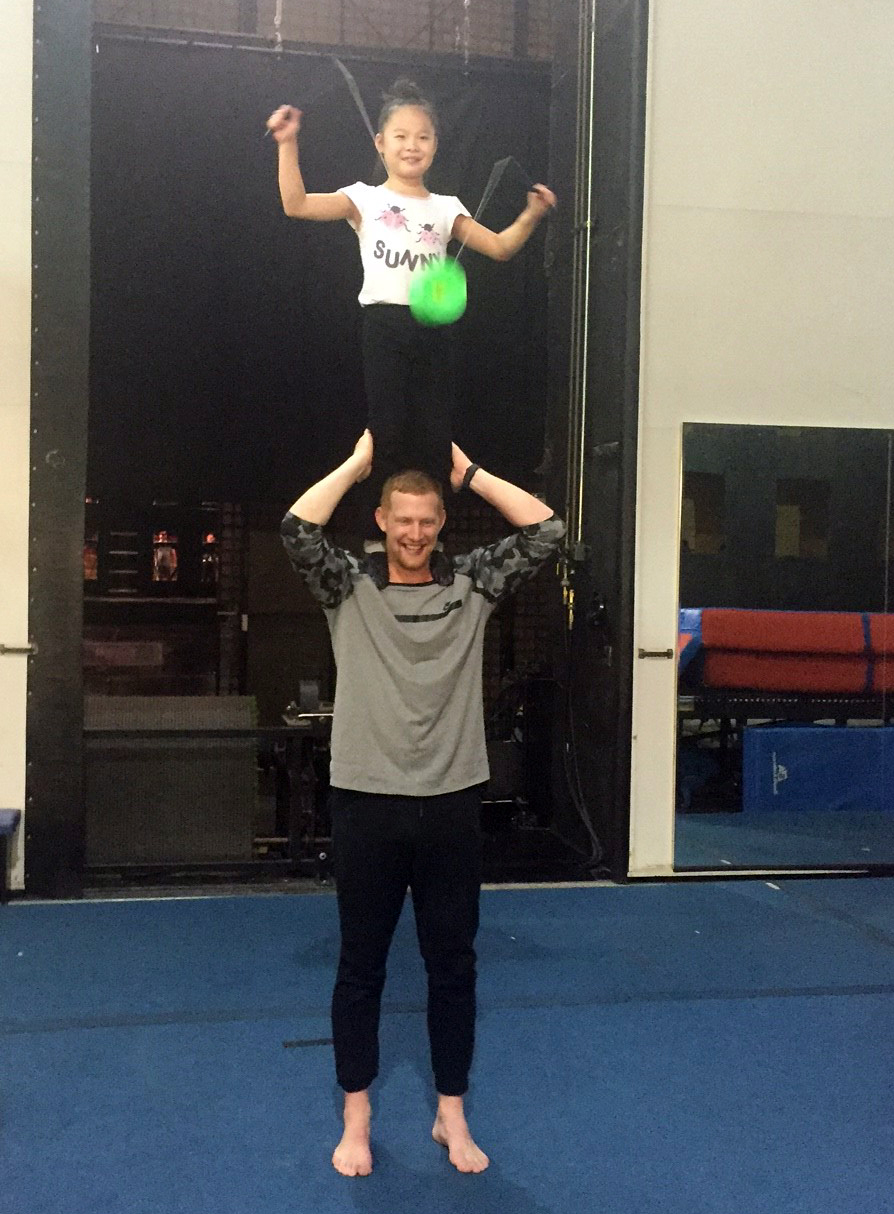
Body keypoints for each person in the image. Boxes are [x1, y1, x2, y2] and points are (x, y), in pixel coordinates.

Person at [280, 431, 565, 1176]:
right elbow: (296, 530)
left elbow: (547, 530)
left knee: (454, 966)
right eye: (401, 518)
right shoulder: (347, 585)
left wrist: (470, 473)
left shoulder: (471, 583)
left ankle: (451, 1116)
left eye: (427, 520)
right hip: (366, 804)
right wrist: (354, 465)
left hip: (448, 805)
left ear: (441, 524)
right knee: (361, 967)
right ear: (381, 520)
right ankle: (357, 1116)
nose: (414, 532)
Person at [266, 79, 557, 536]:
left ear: (436, 145)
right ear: (381, 144)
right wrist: (288, 142)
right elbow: (295, 204)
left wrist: (531, 215)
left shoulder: (445, 207)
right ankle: (380, 532)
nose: (412, 146)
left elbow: (499, 248)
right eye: (400, 136)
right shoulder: (364, 197)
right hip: (383, 324)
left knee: (435, 432)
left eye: (422, 137)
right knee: (387, 432)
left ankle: (432, 531)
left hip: (433, 328)